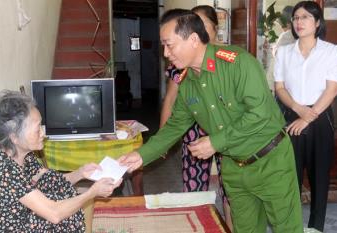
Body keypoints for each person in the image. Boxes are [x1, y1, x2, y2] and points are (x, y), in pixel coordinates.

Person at [119, 8, 303, 233]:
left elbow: (260, 114)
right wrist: (140, 155)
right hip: (234, 167)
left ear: (193, 39)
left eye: (170, 44)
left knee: (287, 229)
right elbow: (175, 126)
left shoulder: (238, 63)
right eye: (163, 46)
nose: (165, 53)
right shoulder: (187, 82)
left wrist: (215, 142)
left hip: (271, 162)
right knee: (246, 229)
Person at [0, 90, 121, 232]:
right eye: (37, 130)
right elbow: (54, 214)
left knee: (63, 194)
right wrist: (92, 192)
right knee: (63, 213)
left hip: (16, 217)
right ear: (14, 137)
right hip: (3, 228)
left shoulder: (22, 154)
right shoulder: (4, 171)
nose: (43, 133)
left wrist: (81, 173)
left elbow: (51, 180)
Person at [160, 5, 233, 231]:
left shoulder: (230, 58)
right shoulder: (180, 61)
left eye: (203, 25)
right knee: (194, 187)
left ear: (214, 27)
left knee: (231, 186)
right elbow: (171, 99)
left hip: (226, 131)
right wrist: (163, 138)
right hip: (193, 129)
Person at [274, 1, 337, 232]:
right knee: (289, 175)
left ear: (317, 22)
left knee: (319, 177)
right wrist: (297, 108)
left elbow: (332, 89)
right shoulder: (283, 51)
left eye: (305, 17)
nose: (299, 22)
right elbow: (279, 88)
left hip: (320, 117)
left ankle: (317, 227)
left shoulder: (331, 51)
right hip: (291, 115)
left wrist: (307, 117)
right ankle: (291, 226)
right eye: (295, 18)